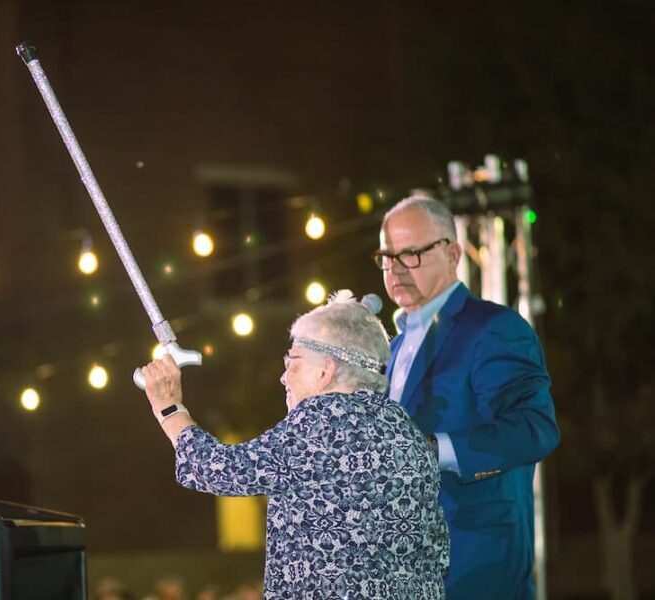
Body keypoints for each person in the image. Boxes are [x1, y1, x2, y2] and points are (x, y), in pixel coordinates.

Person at [141, 291, 448, 599]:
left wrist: (169, 407)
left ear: (326, 370)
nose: (283, 377)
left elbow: (216, 469)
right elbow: (438, 549)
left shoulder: (323, 419)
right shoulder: (405, 429)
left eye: (294, 362)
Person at [374, 194, 560, 599]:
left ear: (453, 252)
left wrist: (435, 449)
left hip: (475, 569)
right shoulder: (389, 350)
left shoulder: (492, 327)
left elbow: (535, 429)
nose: (396, 268)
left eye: (412, 253)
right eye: (387, 256)